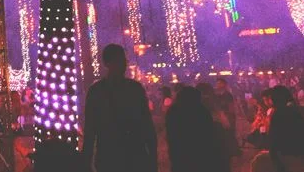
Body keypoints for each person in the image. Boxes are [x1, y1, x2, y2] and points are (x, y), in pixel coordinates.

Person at [82, 44, 157, 172]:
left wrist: (86, 161)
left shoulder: (96, 91)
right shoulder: (134, 89)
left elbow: (90, 130)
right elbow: (147, 126)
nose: (124, 64)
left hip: (109, 157)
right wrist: (152, 159)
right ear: (109, 63)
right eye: (121, 60)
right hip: (134, 155)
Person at [166, 86, 225, 172]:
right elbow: (208, 131)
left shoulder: (173, 110)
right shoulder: (201, 110)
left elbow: (170, 131)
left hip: (178, 150)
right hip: (200, 151)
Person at [251, 86, 304, 172]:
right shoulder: (295, 109)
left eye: (271, 98)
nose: (270, 101)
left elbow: (275, 140)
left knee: (257, 161)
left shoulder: (279, 113)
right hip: (298, 151)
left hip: (287, 154)